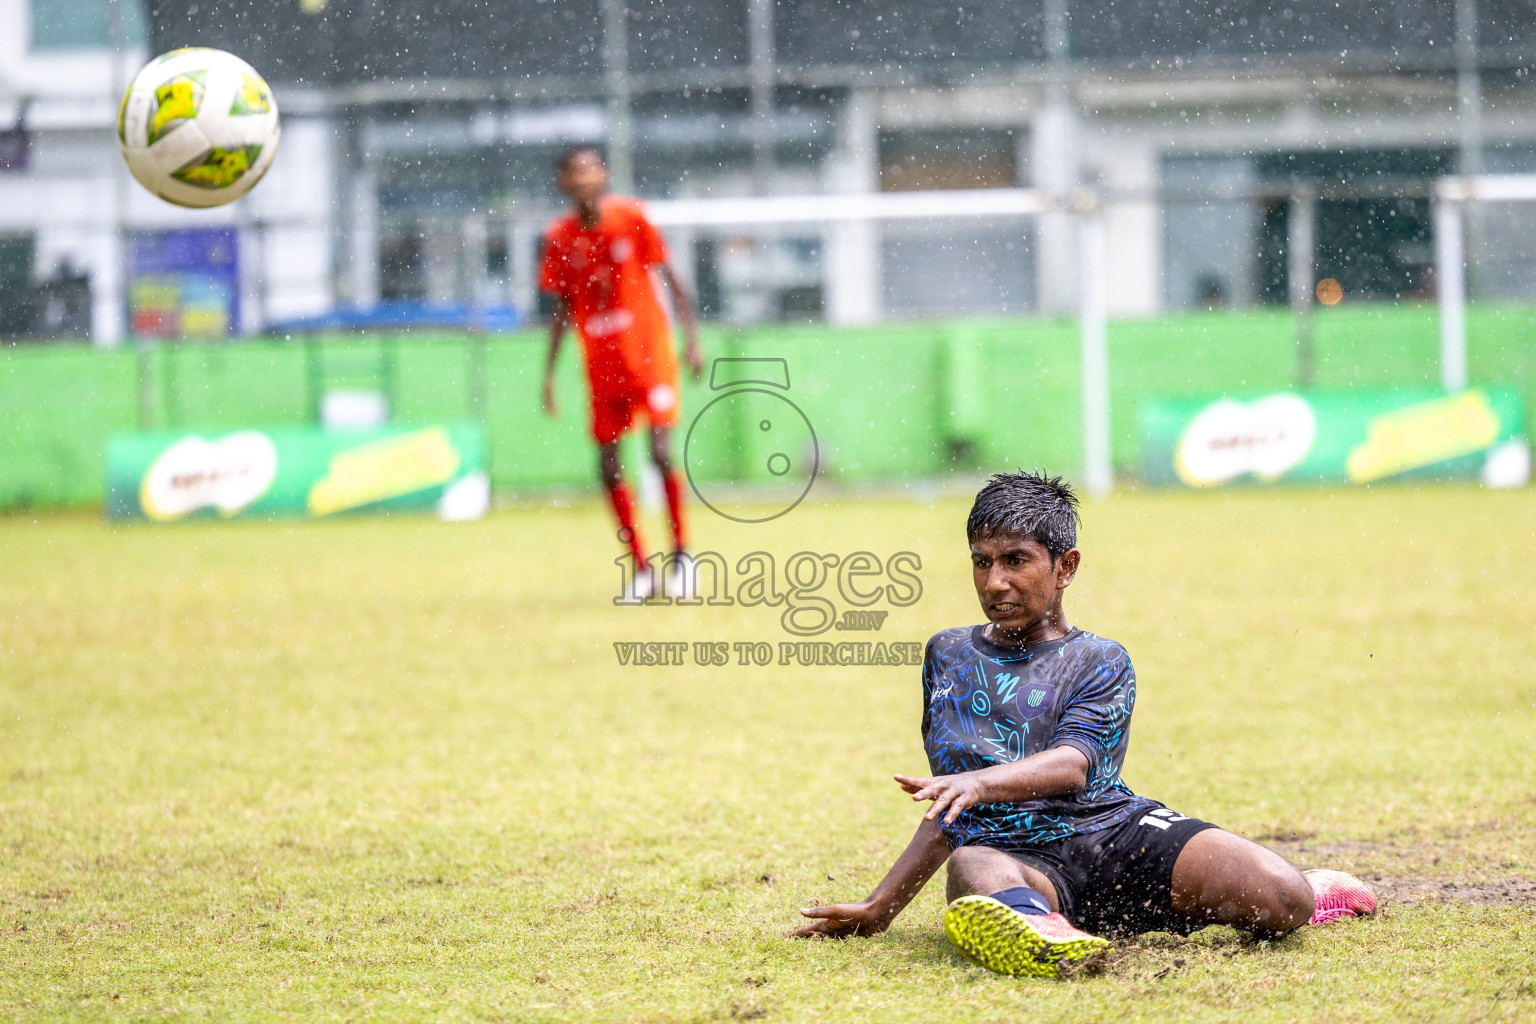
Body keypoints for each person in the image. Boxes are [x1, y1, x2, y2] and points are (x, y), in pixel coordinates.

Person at [790, 471, 1376, 977]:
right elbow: (952, 800)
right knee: (972, 865)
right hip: (1017, 861)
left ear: (1065, 566)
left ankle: (1313, 889)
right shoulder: (948, 655)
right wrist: (880, 906)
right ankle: (1046, 932)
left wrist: (979, 783)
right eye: (982, 562)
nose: (996, 582)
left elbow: (1075, 765)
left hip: (1118, 838)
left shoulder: (1100, 659)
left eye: (1016, 560)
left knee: (1281, 899)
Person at [539, 147, 704, 594]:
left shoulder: (632, 216)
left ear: (604, 174)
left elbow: (671, 277)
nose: (585, 178)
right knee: (609, 466)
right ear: (564, 183)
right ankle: (642, 570)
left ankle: (683, 556)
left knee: (660, 452)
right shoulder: (559, 237)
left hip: (650, 357)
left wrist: (691, 339)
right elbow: (560, 307)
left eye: (591, 169)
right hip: (602, 367)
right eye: (575, 172)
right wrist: (549, 373)